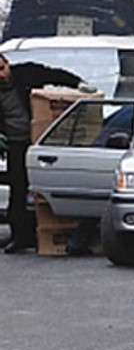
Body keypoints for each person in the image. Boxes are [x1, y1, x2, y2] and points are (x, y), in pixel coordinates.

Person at [0, 54, 83, 253]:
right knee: (18, 188)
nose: (1, 75)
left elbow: (53, 75)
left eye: (2, 68)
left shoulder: (26, 74)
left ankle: (51, 232)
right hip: (15, 143)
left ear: (8, 64)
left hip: (40, 141)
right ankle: (21, 236)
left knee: (45, 186)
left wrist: (78, 84)